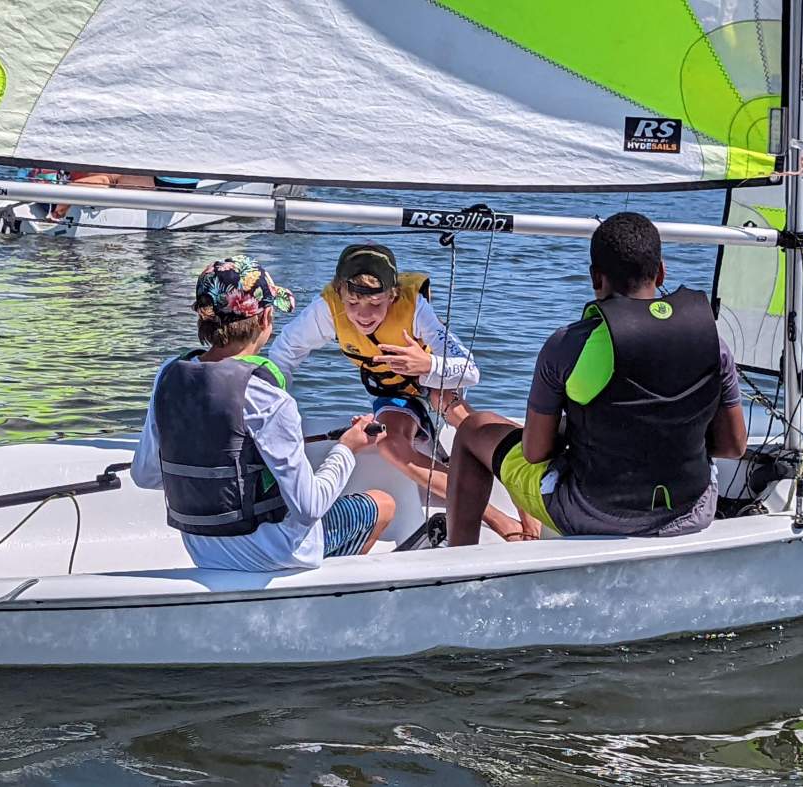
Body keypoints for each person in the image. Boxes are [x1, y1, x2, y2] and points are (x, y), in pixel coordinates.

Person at [445, 212, 748, 545]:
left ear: (595, 279)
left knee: (475, 428)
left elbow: (534, 453)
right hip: (691, 510)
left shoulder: (567, 345)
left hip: (593, 513)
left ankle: (457, 568)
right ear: (661, 272)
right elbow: (733, 446)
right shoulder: (712, 343)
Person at [130, 255, 395, 571]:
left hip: (203, 550)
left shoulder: (168, 376)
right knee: (382, 503)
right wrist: (347, 448)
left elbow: (144, 475)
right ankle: (321, 594)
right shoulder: (267, 397)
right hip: (274, 554)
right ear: (266, 317)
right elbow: (309, 507)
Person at [269, 242, 540, 541]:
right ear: (340, 293)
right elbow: (285, 353)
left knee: (457, 413)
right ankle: (493, 515)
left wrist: (427, 364)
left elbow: (470, 370)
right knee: (389, 445)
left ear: (392, 295)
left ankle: (530, 511)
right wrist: (276, 407)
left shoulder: (416, 309)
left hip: (436, 379)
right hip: (392, 390)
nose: (363, 314)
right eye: (353, 303)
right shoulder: (326, 309)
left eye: (376, 304)